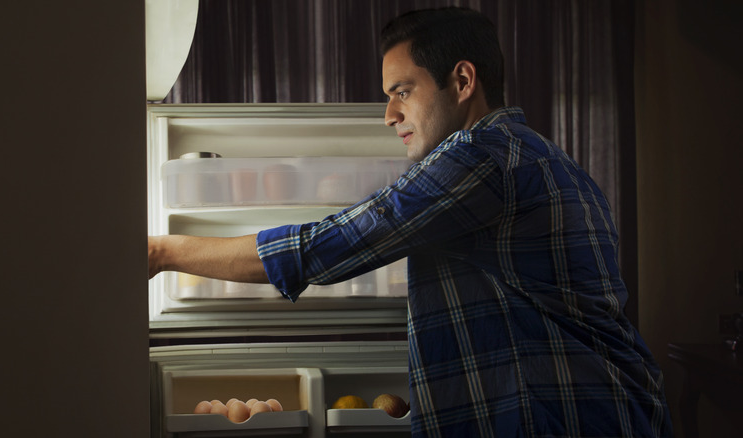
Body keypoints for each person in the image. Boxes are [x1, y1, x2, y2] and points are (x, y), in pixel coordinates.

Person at [149, 7, 673, 437]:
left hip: (564, 417)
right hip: (606, 410)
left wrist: (163, 252)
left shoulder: (481, 159)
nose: (388, 114)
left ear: (462, 80)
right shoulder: (542, 157)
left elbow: (328, 246)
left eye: (402, 90)